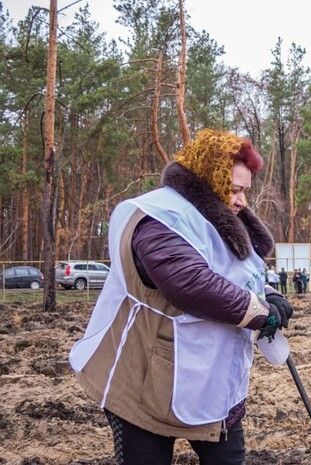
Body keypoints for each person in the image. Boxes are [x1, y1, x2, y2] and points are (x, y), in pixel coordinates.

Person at [68, 129, 295, 465]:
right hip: (144, 375)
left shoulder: (218, 218)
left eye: (245, 192)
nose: (241, 201)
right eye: (234, 190)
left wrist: (272, 296)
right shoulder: (161, 218)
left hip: (211, 376)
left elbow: (241, 269)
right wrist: (260, 312)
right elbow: (190, 283)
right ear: (208, 179)